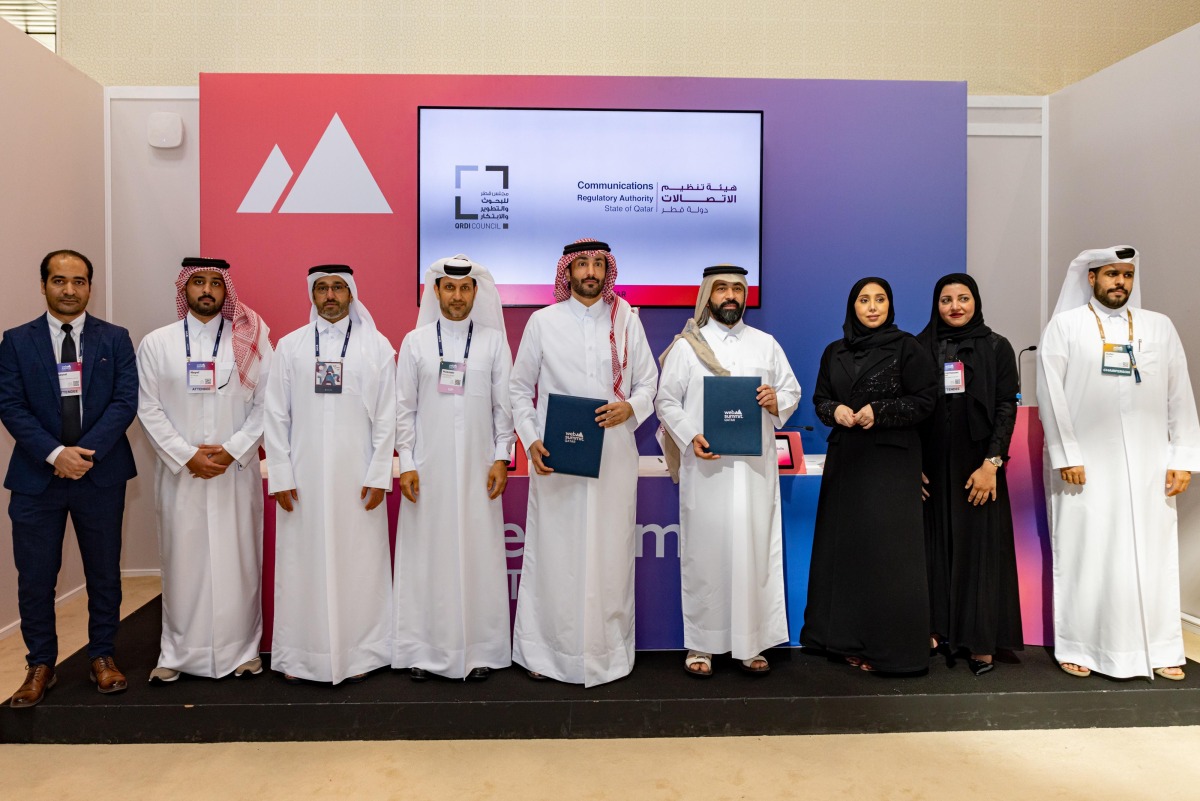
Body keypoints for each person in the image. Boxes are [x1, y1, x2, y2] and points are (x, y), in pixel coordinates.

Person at [1037, 246, 1200, 680]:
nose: (1119, 283)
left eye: (1126, 275)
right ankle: (1081, 647)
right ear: (1091, 278)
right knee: (1086, 552)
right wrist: (1066, 453)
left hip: (1150, 465)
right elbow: (1051, 395)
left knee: (1152, 553)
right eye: (1111, 274)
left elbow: (1179, 393)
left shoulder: (1158, 327)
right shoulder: (1065, 326)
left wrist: (1182, 457)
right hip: (1086, 467)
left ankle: (1162, 647)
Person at [509, 239, 658, 687]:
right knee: (555, 554)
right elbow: (519, 390)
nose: (590, 271)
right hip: (559, 459)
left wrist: (630, 408)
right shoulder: (542, 322)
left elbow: (649, 383)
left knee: (610, 556)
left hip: (613, 454)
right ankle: (544, 653)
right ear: (567, 272)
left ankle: (607, 656)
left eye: (598, 264)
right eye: (582, 264)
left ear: (607, 270)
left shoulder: (627, 320)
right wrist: (532, 440)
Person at [0, 250, 138, 707]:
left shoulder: (114, 339)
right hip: (37, 479)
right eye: (59, 281)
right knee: (36, 578)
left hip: (100, 476)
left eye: (79, 281)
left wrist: (84, 455)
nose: (69, 290)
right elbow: (10, 405)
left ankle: (101, 656)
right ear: (43, 285)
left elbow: (124, 401)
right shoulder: (16, 341)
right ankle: (41, 664)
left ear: (89, 287)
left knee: (104, 573)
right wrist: (56, 454)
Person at [655, 265, 801, 677]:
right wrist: (689, 436)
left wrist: (776, 400)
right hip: (707, 470)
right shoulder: (687, 347)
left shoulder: (766, 345)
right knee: (706, 557)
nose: (730, 296)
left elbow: (791, 392)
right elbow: (666, 402)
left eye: (738, 288)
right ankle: (701, 645)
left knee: (754, 554)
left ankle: (752, 644)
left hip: (754, 475)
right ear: (707, 295)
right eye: (721, 289)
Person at [136, 256, 273, 683]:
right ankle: (177, 653)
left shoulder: (250, 338)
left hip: (235, 472)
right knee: (183, 562)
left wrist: (233, 451)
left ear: (226, 289)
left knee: (240, 561)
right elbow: (148, 408)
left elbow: (269, 405)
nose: (207, 290)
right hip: (182, 475)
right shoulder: (157, 343)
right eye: (198, 282)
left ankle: (243, 651)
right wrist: (186, 454)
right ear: (184, 289)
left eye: (216, 282)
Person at [263, 265, 396, 685]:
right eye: (322, 288)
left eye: (338, 287)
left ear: (352, 292)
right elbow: (275, 415)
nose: (331, 295)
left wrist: (378, 474)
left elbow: (388, 418)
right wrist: (281, 475)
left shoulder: (377, 347)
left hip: (358, 480)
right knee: (302, 567)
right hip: (302, 481)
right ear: (312, 295)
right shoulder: (290, 346)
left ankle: (361, 655)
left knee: (360, 566)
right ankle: (302, 658)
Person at [800, 277, 937, 674]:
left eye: (880, 299)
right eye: (864, 300)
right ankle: (845, 641)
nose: (872, 307)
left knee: (888, 557)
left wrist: (881, 412)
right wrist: (834, 412)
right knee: (848, 553)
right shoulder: (835, 351)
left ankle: (889, 651)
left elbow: (925, 401)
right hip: (847, 462)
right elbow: (821, 399)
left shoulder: (907, 347)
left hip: (891, 465)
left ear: (890, 306)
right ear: (853, 307)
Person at [393, 255, 515, 681]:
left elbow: (506, 408)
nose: (457, 296)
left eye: (465, 288)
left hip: (480, 471)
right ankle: (424, 651)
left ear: (475, 292)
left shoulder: (494, 343)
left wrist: (502, 456)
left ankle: (480, 650)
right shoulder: (415, 342)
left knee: (478, 555)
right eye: (449, 287)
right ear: (437, 291)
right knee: (427, 557)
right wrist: (406, 462)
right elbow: (402, 410)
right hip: (427, 471)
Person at [916, 273, 1023, 676]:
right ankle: (934, 630)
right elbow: (910, 408)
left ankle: (980, 642)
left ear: (976, 301)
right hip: (930, 466)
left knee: (979, 551)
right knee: (932, 548)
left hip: (979, 467)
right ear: (935, 304)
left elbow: (1005, 408)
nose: (955, 306)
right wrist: (912, 467)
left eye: (963, 298)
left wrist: (992, 464)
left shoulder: (997, 347)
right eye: (946, 299)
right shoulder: (919, 346)